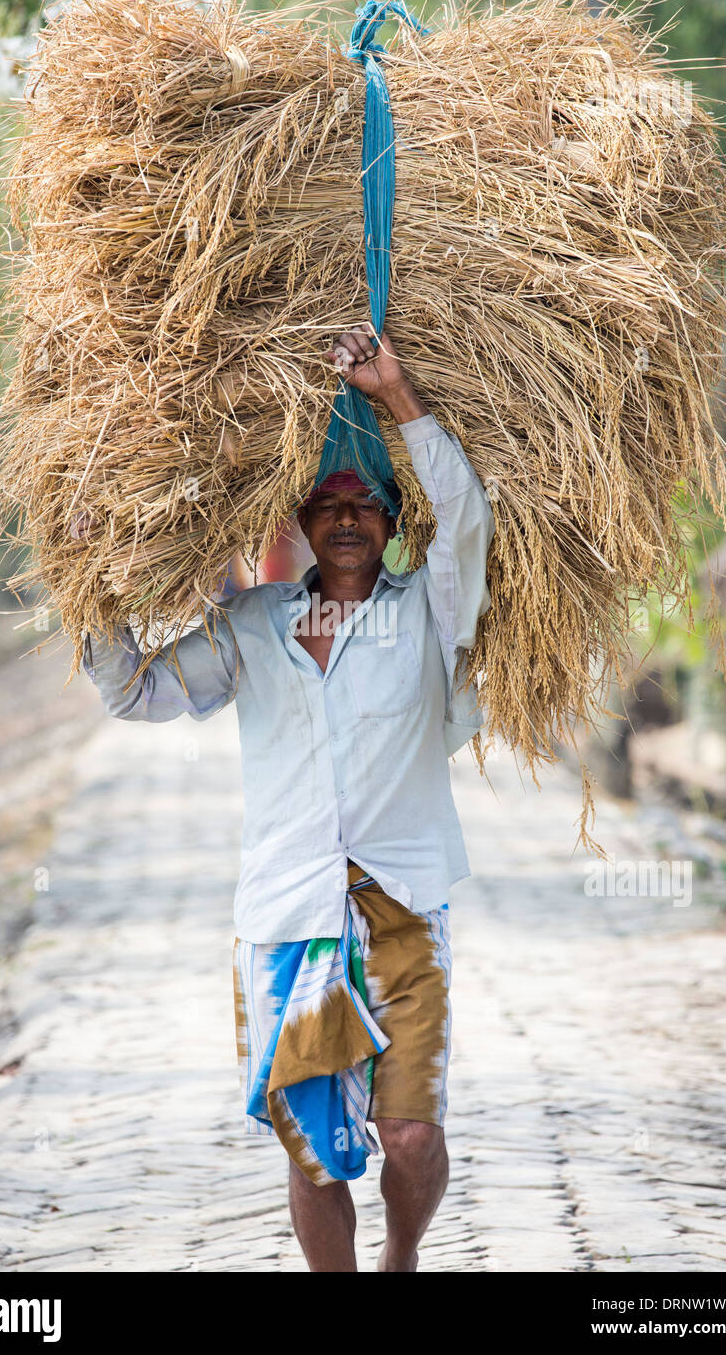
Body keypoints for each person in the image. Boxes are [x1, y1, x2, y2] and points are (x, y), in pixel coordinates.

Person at [76, 323, 495, 1272]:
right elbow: (131, 690)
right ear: (302, 524)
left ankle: (402, 1259)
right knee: (314, 1164)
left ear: (392, 525)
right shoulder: (252, 629)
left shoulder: (428, 617)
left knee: (415, 1139)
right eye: (327, 503)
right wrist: (90, 586)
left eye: (366, 504)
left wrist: (398, 399)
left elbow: (466, 522)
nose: (347, 516)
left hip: (401, 907)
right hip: (286, 917)